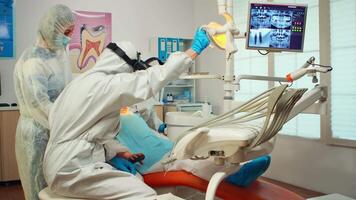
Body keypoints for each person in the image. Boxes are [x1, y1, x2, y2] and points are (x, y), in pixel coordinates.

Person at [42, 28, 210, 199]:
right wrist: (193, 51)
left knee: (135, 180)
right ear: (124, 65)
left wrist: (116, 154)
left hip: (63, 163)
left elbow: (87, 134)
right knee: (143, 194)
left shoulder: (80, 84)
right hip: (73, 168)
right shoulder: (106, 85)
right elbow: (150, 79)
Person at [13, 5, 74, 200]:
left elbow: (66, 90)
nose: (69, 37)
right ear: (52, 29)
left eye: (71, 32)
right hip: (37, 132)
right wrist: (67, 122)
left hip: (55, 127)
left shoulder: (60, 54)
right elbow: (38, 104)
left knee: (54, 185)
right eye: (66, 32)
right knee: (37, 186)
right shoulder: (32, 61)